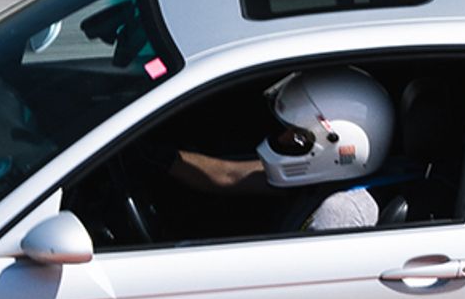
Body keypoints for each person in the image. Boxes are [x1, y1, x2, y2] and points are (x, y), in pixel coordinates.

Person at [169, 68, 397, 232]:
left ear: (340, 143)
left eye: (297, 137)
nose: (282, 139)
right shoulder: (318, 181)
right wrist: (168, 161)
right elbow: (229, 175)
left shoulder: (338, 213)